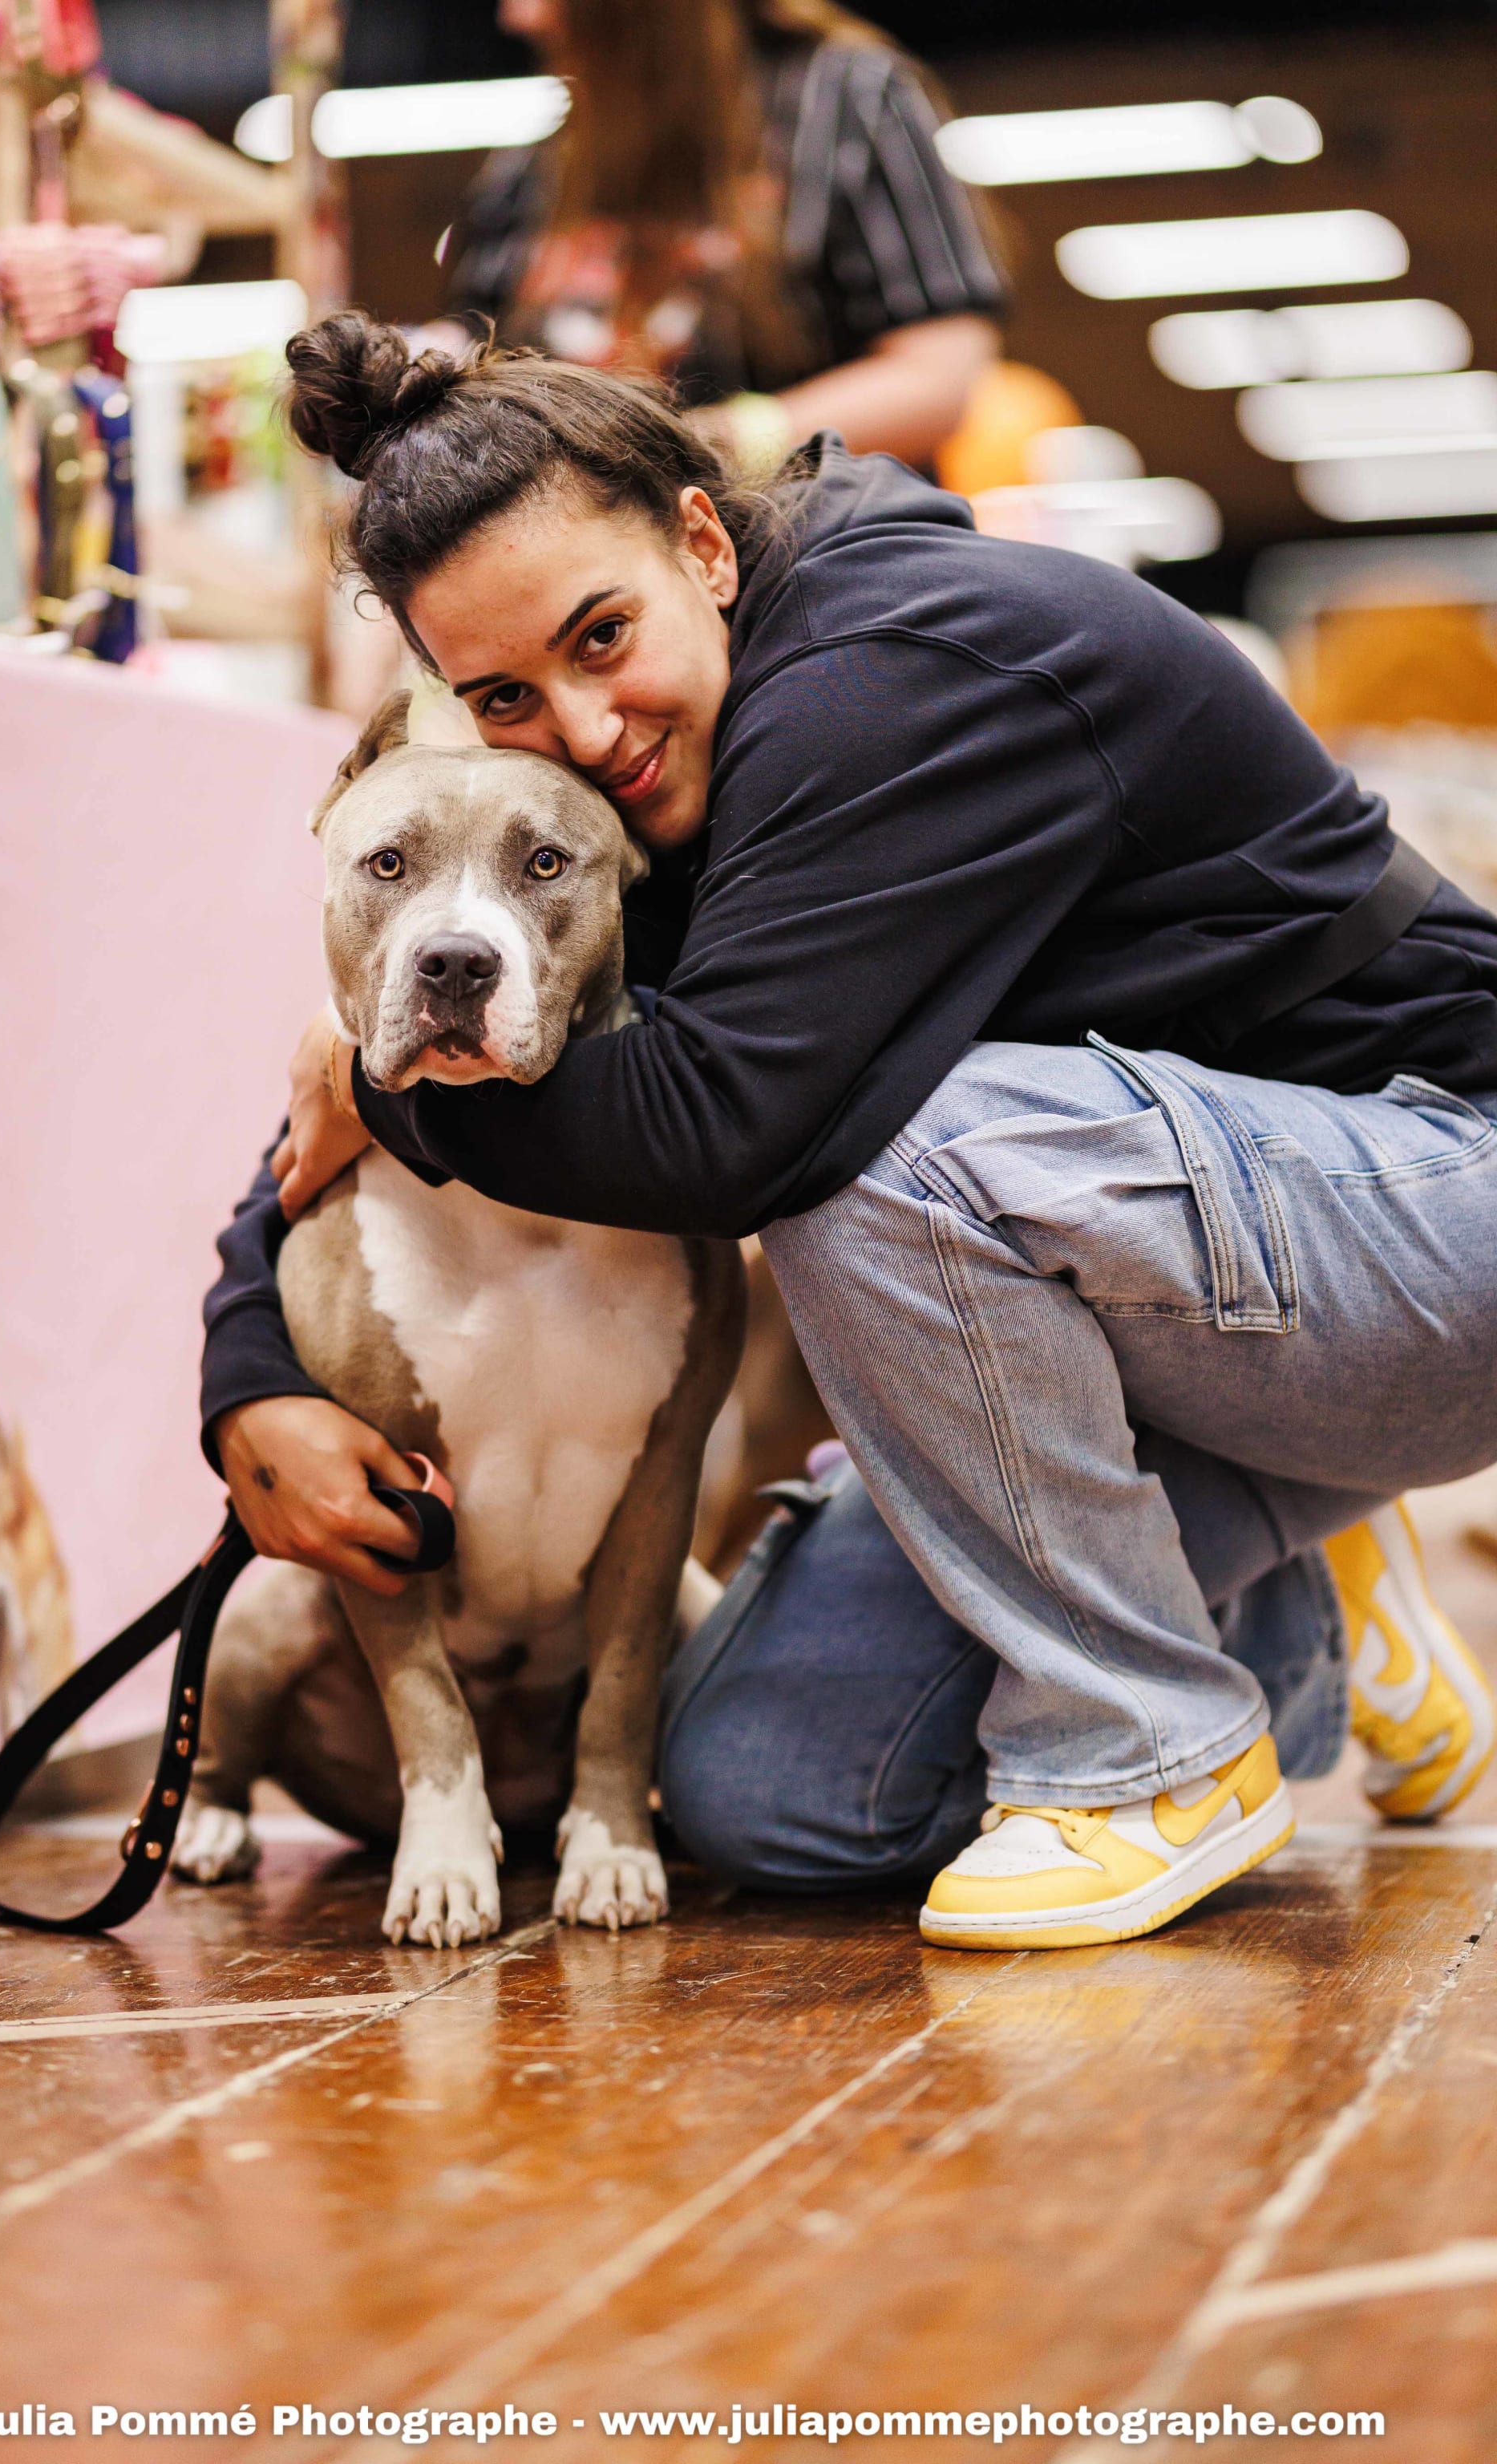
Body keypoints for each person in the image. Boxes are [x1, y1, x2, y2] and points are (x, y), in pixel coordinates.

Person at [203, 314, 1497, 1951]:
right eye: (506, 695)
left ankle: (1148, 1752)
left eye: (602, 638)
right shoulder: (668, 767)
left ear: (697, 539)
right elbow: (468, 1071)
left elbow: (720, 1131)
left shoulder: (896, 670)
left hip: (1440, 1203)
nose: (586, 726)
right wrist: (251, 1366)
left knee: (881, 1151)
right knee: (769, 1786)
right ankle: (1295, 1593)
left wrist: (380, 1058)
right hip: (1223, 1279)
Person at [434, 0, 1005, 472]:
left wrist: (686, 450)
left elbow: (938, 378)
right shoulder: (534, 164)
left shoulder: (846, 95)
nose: (519, 19)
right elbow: (476, 350)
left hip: (817, 561)